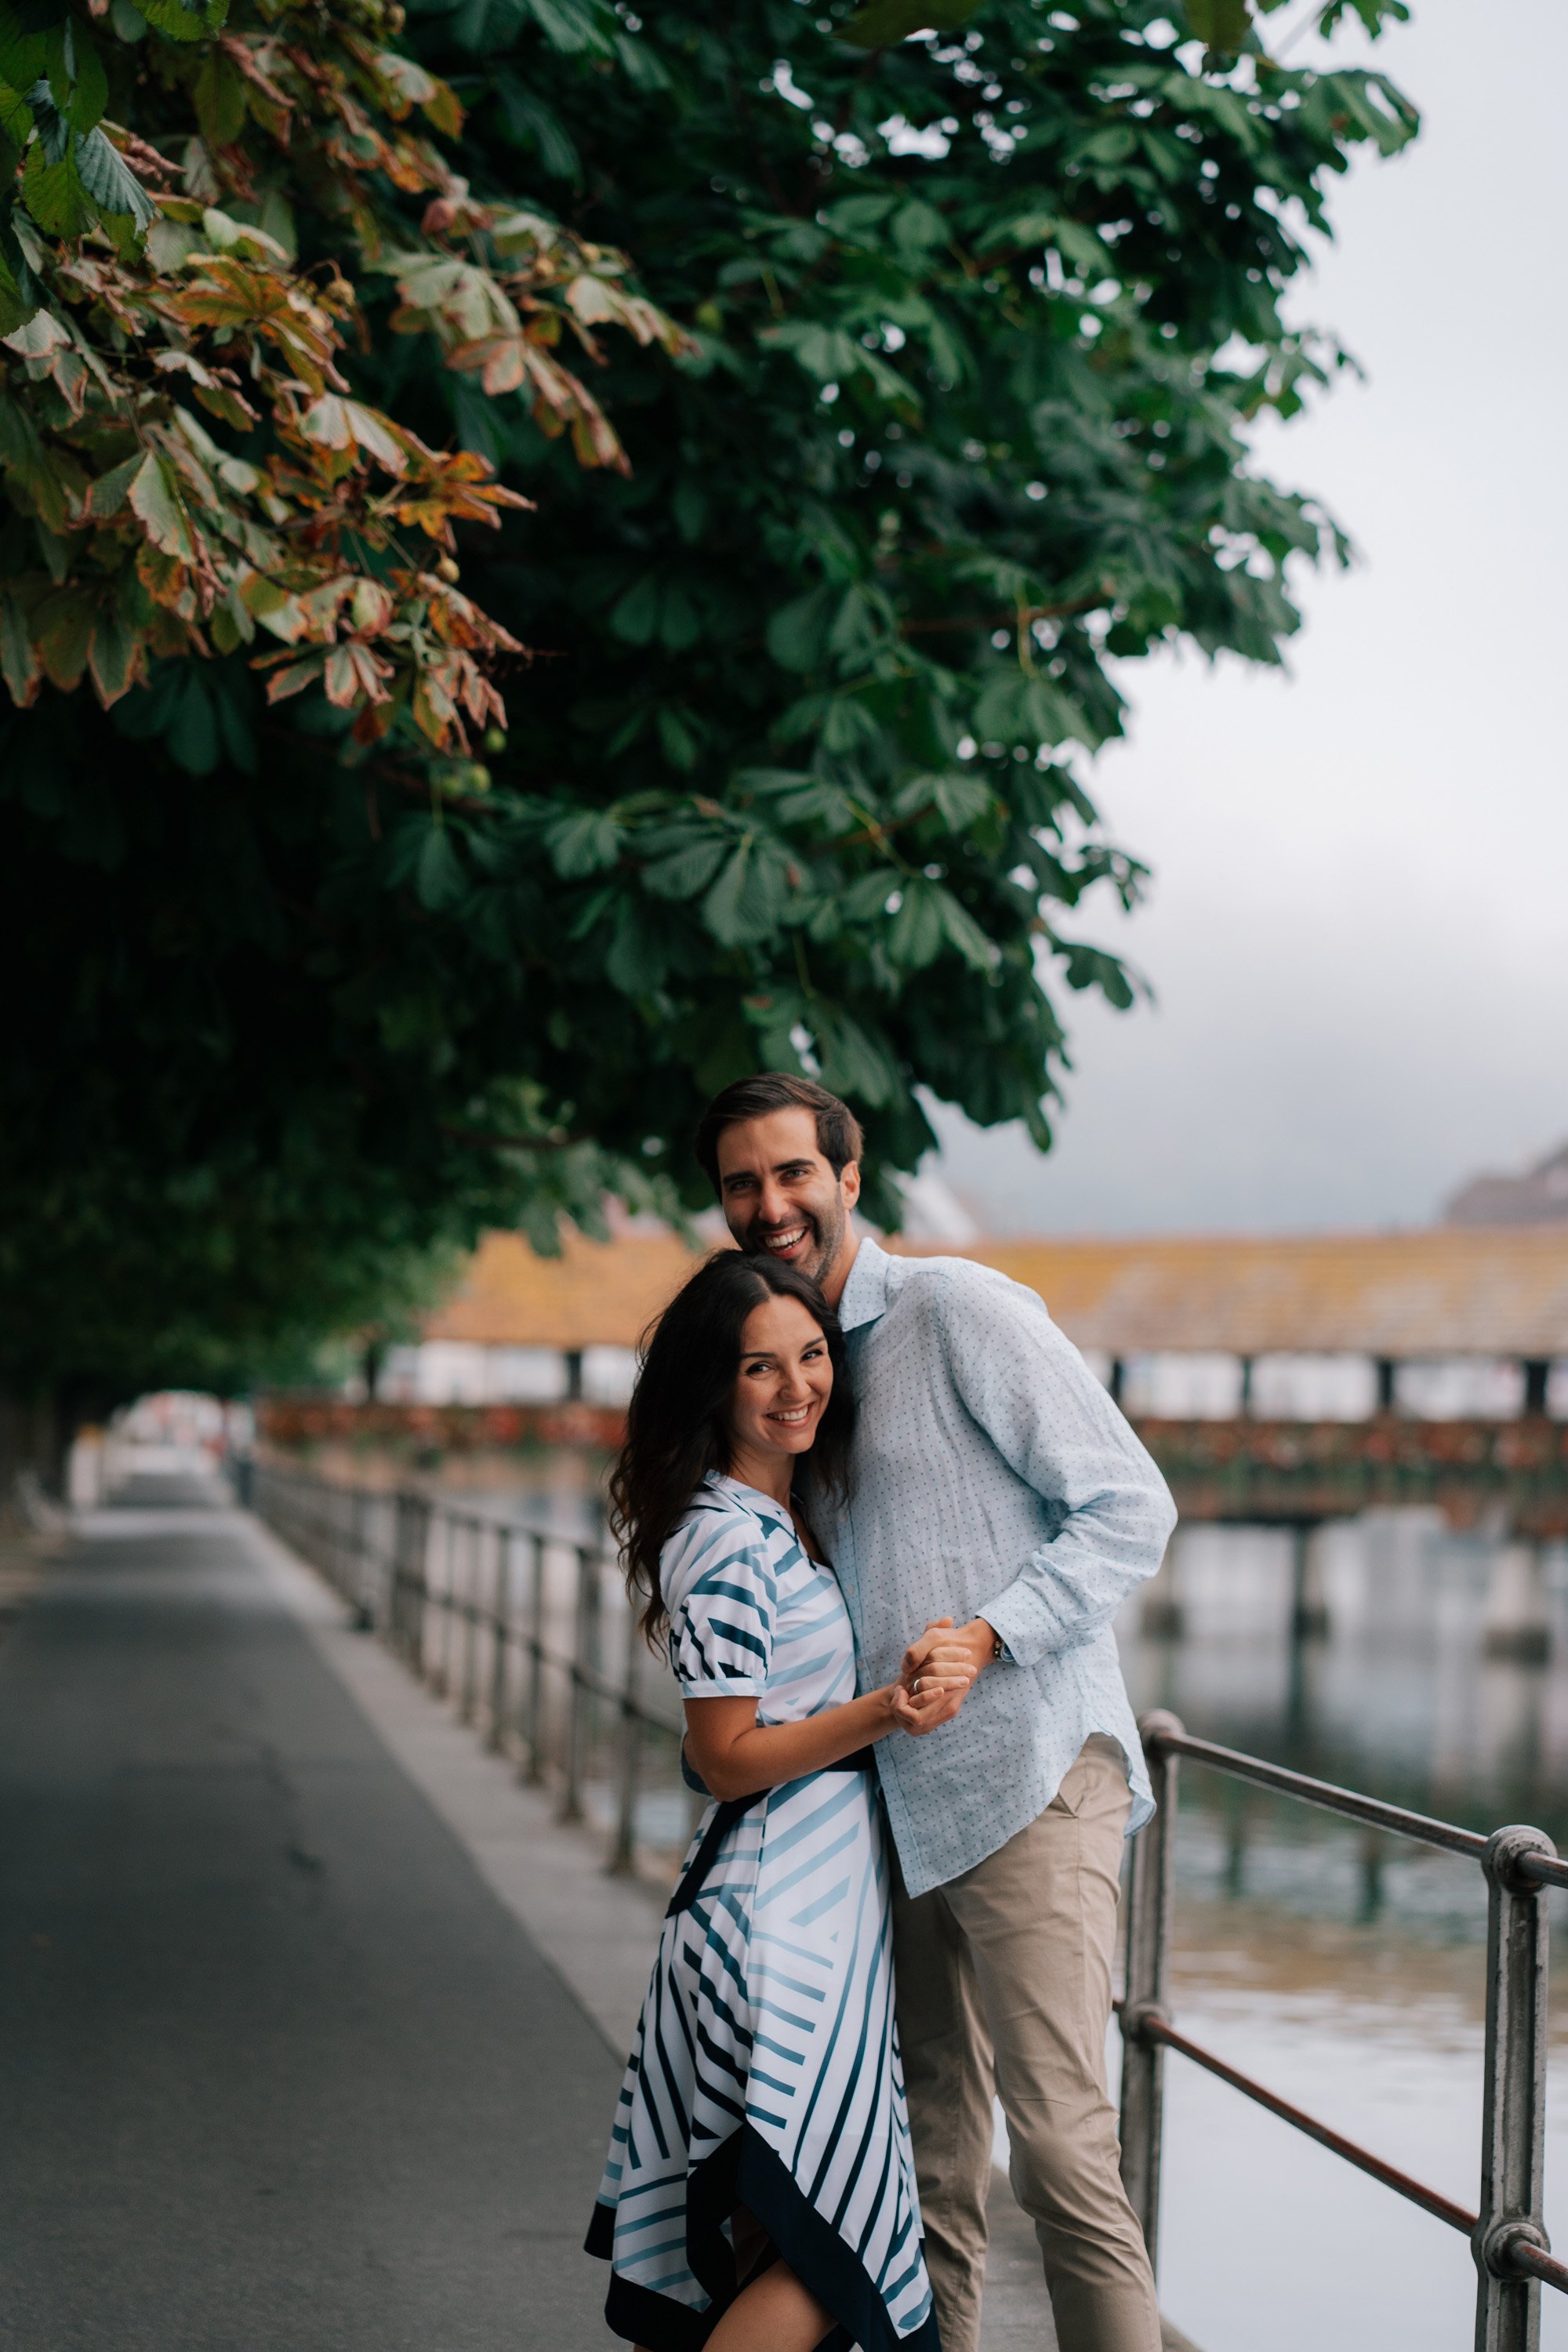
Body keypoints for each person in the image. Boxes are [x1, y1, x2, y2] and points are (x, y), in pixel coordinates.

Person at [693, 1073, 1179, 2352]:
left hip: (1028, 1778)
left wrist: (990, 1630)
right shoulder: (800, 1362)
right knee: (930, 2173)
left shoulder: (953, 1307)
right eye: (743, 1182)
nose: (770, 1203)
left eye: (794, 1173)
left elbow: (1132, 1506)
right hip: (896, 1812)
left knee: (1064, 2162)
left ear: (850, 1178)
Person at [586, 1249, 978, 2352]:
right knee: (833, 2256)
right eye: (761, 1367)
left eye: (813, 1356)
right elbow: (724, 1755)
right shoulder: (720, 1538)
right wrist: (884, 1710)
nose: (798, 1385)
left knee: (782, 2244)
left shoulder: (778, 1519)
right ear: (714, 1385)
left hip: (809, 1918)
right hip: (778, 1935)